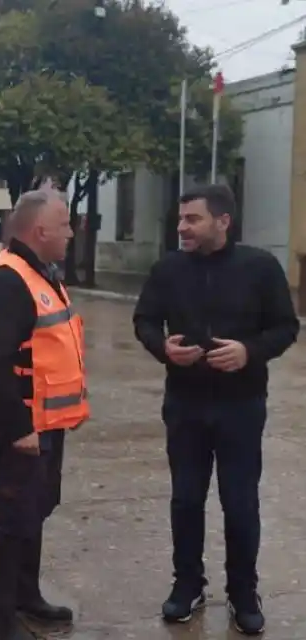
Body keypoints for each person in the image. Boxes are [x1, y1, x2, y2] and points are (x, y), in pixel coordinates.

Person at [133, 184, 298, 636]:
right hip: (184, 404)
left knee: (239, 502)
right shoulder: (168, 269)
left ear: (223, 221)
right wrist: (162, 348)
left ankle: (244, 592)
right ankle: (188, 585)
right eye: (181, 219)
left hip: (241, 406)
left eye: (192, 219)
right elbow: (144, 319)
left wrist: (249, 351)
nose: (182, 227)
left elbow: (286, 327)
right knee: (186, 499)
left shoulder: (260, 268)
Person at [0, 189, 88, 640]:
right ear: (40, 231)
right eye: (64, 224)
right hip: (16, 427)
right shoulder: (6, 280)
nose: (71, 232)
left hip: (45, 424)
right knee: (8, 523)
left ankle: (26, 596)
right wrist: (20, 429)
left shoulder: (40, 274)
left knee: (33, 513)